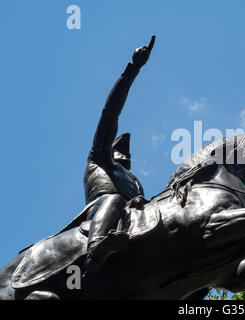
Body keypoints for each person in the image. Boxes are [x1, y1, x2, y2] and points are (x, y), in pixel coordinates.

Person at [83, 35, 156, 272]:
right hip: (102, 207)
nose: (126, 156)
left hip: (132, 213)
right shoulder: (100, 158)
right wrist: (133, 68)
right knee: (114, 199)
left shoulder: (134, 181)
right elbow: (109, 114)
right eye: (121, 151)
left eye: (128, 154)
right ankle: (96, 247)